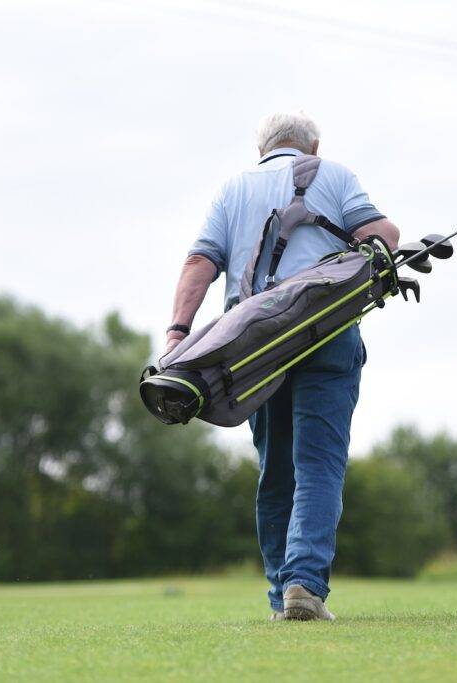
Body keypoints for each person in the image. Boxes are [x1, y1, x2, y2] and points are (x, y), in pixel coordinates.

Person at [164, 111, 399, 621]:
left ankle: (280, 597)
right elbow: (380, 234)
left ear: (262, 150)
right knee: (318, 464)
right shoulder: (332, 174)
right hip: (328, 332)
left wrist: (178, 336)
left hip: (251, 347)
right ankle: (304, 585)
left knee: (276, 471)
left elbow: (199, 263)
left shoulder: (233, 190)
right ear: (311, 145)